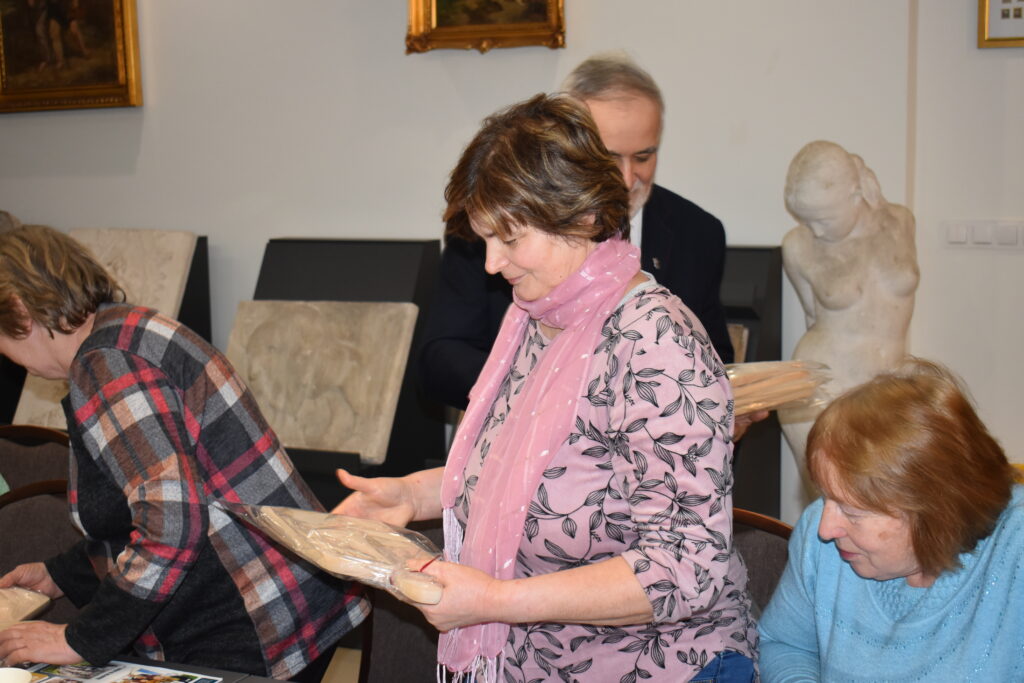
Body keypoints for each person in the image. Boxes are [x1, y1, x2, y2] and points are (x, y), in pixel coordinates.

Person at [336, 94, 756, 682]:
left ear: (582, 217)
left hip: (651, 665)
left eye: (509, 238)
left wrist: (495, 601)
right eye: (484, 238)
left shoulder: (656, 343)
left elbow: (686, 569)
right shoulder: (540, 315)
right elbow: (521, 469)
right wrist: (410, 495)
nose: (491, 263)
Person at [0, 225, 367, 681]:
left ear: (20, 311)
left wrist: (80, 639)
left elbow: (171, 524)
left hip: (249, 616)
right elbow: (143, 504)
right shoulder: (128, 331)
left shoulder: (108, 366)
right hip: (277, 594)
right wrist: (63, 574)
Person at [419, 53, 734, 414]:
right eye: (608, 157)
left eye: (644, 157)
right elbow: (439, 358)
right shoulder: (493, 225)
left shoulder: (699, 232)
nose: (626, 179)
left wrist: (727, 401)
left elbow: (712, 357)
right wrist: (541, 393)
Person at [759, 358, 1024, 681]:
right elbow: (783, 644)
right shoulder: (821, 540)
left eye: (853, 512)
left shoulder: (1015, 552)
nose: (825, 529)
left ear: (937, 512)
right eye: (826, 497)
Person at [778, 140, 919, 473]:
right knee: (828, 492)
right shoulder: (797, 245)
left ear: (855, 195)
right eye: (806, 220)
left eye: (824, 219)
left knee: (889, 492)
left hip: (890, 384)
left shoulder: (901, 222)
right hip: (823, 388)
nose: (814, 230)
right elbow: (812, 316)